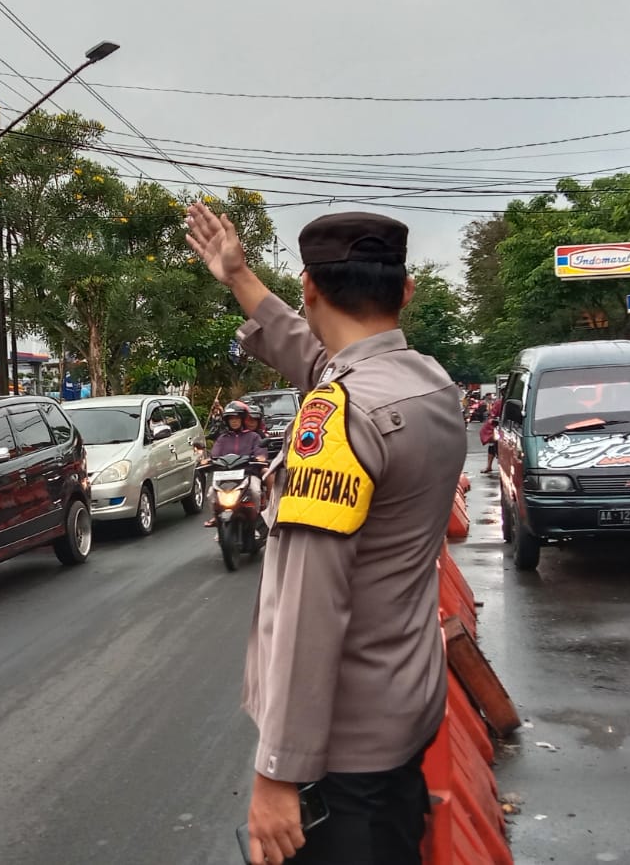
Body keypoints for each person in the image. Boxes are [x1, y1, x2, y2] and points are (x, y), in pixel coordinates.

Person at [186, 203, 465, 865]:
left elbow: (311, 608)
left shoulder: (337, 421)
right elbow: (325, 361)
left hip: (344, 755)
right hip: (405, 712)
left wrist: (278, 773)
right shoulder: (427, 385)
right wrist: (239, 276)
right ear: (406, 291)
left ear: (310, 287)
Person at [207, 400, 269, 527]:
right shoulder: (222, 438)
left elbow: (260, 451)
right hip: (225, 476)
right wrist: (208, 460)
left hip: (248, 474)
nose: (234, 421)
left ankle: (257, 520)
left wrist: (260, 458)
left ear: (242, 420)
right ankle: (217, 519)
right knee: (210, 494)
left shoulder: (253, 436)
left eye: (236, 419)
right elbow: (214, 454)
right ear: (227, 421)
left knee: (256, 491)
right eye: (231, 419)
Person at [481, 395, 504, 474]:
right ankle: (489, 466)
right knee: (492, 444)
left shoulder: (503, 402)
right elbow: (493, 415)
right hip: (499, 426)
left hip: (509, 427)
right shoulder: (499, 402)